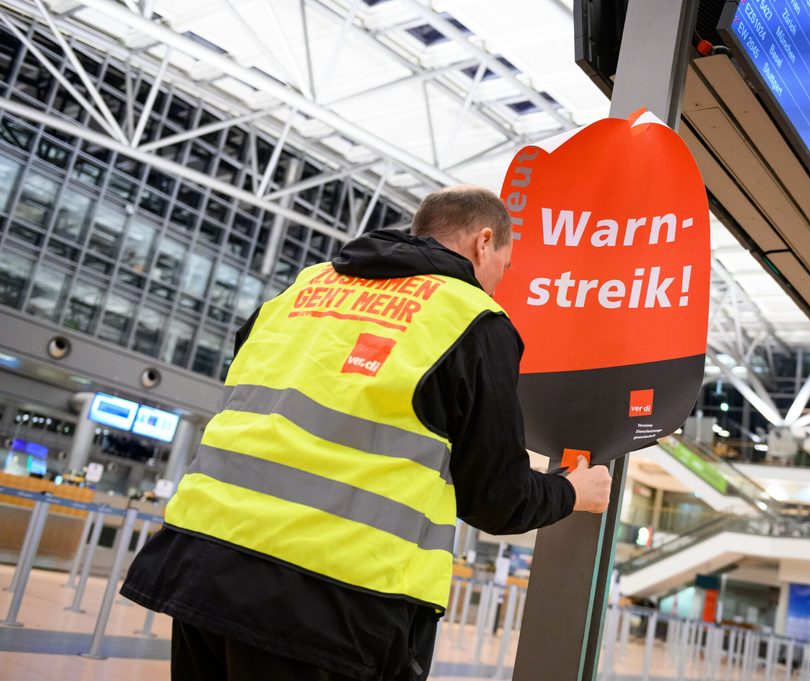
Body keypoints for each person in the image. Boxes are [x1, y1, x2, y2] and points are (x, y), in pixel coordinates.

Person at [121, 185, 613, 681]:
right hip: (330, 599)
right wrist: (570, 491)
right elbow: (495, 499)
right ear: (484, 243)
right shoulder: (472, 318)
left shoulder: (303, 287)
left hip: (202, 563)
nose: (497, 285)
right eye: (503, 269)